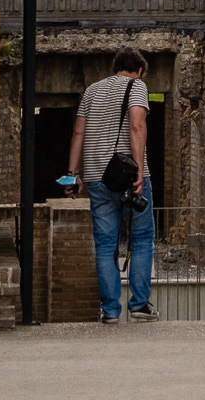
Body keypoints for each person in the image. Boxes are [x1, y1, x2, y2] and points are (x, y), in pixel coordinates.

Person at [67, 48, 159, 323]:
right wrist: (140, 171)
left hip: (97, 177)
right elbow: (136, 126)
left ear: (115, 66)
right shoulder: (137, 86)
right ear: (139, 70)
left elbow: (78, 132)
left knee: (105, 244)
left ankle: (110, 311)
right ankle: (139, 306)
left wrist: (72, 175)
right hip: (129, 175)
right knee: (141, 239)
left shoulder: (91, 91)